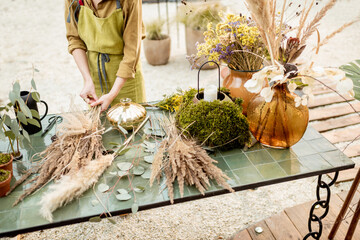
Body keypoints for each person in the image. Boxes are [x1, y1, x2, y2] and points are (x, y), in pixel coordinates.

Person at [65, 0, 146, 111]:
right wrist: (88, 80)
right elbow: (74, 39)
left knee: (132, 124)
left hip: (126, 81)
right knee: (99, 126)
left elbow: (132, 52)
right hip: (94, 80)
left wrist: (113, 93)